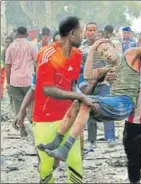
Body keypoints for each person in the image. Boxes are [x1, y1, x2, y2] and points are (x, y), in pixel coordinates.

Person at [37, 31, 141, 184]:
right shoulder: (128, 64)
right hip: (132, 122)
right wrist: (105, 72)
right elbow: (93, 75)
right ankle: (60, 143)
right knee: (134, 165)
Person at [31, 16, 87, 183]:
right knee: (47, 166)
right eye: (81, 33)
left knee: (75, 161)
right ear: (72, 33)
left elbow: (73, 86)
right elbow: (47, 89)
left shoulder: (77, 55)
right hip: (44, 118)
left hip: (68, 117)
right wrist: (78, 96)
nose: (82, 36)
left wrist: (98, 78)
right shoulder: (47, 54)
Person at [81, 22, 117, 148]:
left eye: (94, 30)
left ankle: (111, 138)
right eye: (89, 30)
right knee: (90, 110)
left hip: (104, 82)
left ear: (97, 31)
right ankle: (92, 141)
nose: (91, 32)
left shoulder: (104, 45)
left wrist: (106, 74)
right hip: (87, 84)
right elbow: (80, 66)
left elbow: (112, 62)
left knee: (107, 107)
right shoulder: (81, 48)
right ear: (85, 32)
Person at [5, 26, 38, 121]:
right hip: (29, 81)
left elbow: (8, 67)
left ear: (16, 34)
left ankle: (22, 131)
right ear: (26, 34)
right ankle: (32, 127)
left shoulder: (10, 47)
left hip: (14, 82)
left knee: (18, 109)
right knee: (31, 106)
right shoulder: (32, 46)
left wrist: (8, 82)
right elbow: (38, 64)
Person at [1, 36, 13, 101]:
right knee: (8, 84)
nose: (7, 44)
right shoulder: (4, 50)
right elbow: (2, 58)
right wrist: (5, 66)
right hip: (7, 70)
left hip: (14, 70)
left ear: (12, 42)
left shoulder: (14, 49)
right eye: (6, 42)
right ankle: (10, 97)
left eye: (8, 42)